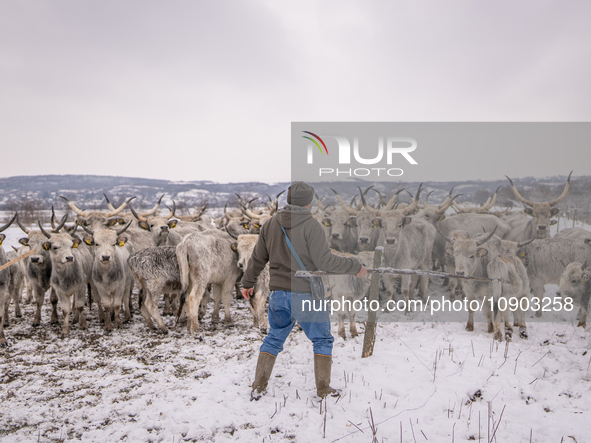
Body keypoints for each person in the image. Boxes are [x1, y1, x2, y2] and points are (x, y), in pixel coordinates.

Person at [241, 181, 367, 400]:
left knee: (273, 338)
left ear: (288, 200)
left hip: (279, 294)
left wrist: (247, 282)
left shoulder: (270, 224)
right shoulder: (312, 226)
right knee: (322, 340)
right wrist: (355, 266)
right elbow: (325, 261)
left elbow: (258, 258)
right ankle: (323, 389)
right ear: (309, 203)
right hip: (306, 294)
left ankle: (258, 386)